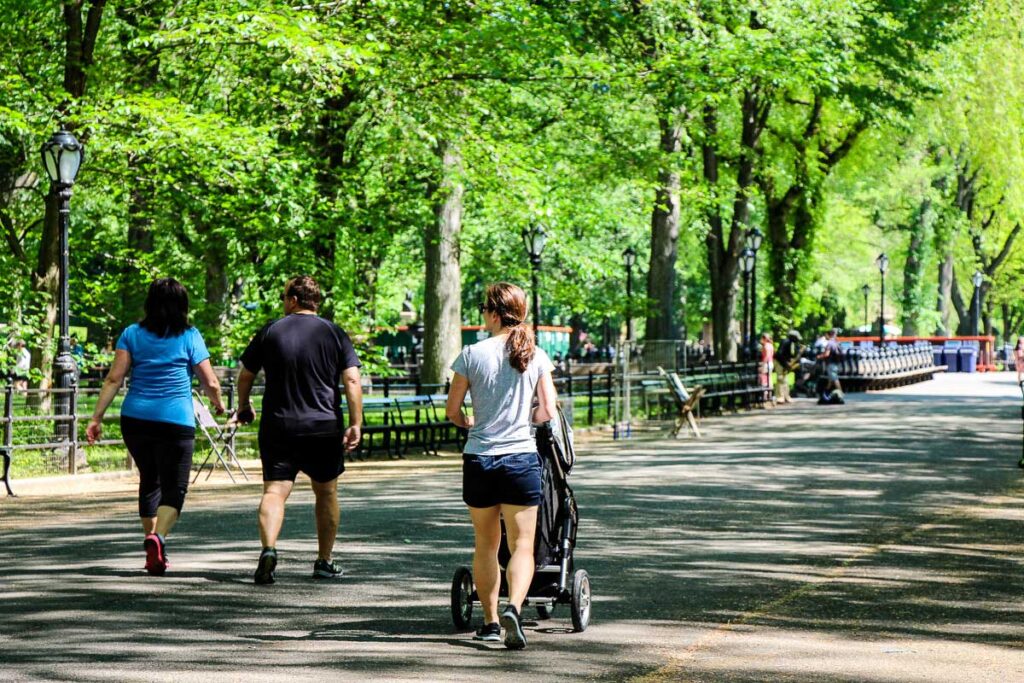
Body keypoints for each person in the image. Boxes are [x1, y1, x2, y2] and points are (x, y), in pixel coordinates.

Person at [445, 282, 558, 651]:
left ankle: (491, 622)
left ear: (494, 313)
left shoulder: (471, 354)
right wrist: (524, 418)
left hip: (480, 458)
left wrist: (470, 423)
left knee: (486, 544)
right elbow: (547, 410)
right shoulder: (536, 355)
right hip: (521, 459)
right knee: (522, 544)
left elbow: (452, 411)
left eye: (483, 308)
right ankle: (515, 607)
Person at [86, 278, 224, 575]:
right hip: (175, 420)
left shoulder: (131, 334)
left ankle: (153, 550)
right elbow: (209, 380)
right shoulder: (190, 335)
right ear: (182, 306)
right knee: (175, 488)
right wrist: (218, 404)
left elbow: (114, 379)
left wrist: (96, 417)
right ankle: (158, 538)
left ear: (149, 304)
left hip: (135, 420)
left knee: (150, 479)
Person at [234, 275, 363, 585]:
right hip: (322, 426)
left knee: (275, 492)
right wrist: (356, 422)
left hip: (279, 425)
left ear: (293, 299)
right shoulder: (334, 333)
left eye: (283, 296)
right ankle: (324, 560)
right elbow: (352, 380)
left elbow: (245, 376)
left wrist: (243, 406)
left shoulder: (271, 331)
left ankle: (269, 549)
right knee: (326, 491)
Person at [816, 328, 845, 405]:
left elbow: (827, 354)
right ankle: (825, 394)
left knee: (835, 379)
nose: (825, 336)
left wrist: (819, 356)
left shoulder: (829, 343)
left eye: (825, 334)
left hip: (831, 364)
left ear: (828, 335)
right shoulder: (836, 343)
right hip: (836, 364)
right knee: (830, 380)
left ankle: (841, 394)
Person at [774, 330, 802, 404]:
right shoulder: (785, 342)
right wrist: (786, 364)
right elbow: (779, 354)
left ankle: (786, 396)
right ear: (792, 337)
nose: (797, 340)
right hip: (780, 362)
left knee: (785, 380)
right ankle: (780, 397)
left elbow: (789, 354)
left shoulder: (791, 343)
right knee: (780, 379)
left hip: (784, 363)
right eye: (796, 338)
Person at [759, 332, 774, 404]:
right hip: (771, 363)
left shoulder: (766, 346)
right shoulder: (771, 345)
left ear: (764, 338)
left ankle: (765, 395)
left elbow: (767, 356)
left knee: (764, 379)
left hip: (766, 364)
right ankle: (769, 395)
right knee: (769, 379)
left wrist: (763, 364)